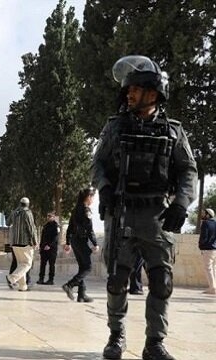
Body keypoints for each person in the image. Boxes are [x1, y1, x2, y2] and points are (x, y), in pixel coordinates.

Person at [94, 55, 197, 360]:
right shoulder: (115, 127)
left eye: (135, 89)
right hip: (122, 212)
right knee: (117, 279)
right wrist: (104, 189)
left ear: (152, 93)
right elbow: (98, 164)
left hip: (157, 216)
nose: (128, 94)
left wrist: (181, 202)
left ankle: (154, 342)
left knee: (162, 281)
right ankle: (116, 336)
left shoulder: (174, 131)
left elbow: (188, 170)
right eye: (128, 89)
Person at [62, 187, 99, 302]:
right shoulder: (86, 210)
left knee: (82, 267)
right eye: (92, 197)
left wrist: (68, 242)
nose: (93, 199)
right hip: (81, 241)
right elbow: (89, 229)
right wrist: (95, 243)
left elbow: (69, 227)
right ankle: (69, 285)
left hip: (74, 240)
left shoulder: (75, 209)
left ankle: (81, 294)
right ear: (88, 197)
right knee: (88, 267)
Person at [5, 197, 38, 291]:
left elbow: (7, 223)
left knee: (20, 264)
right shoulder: (27, 213)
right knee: (27, 264)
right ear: (28, 204)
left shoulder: (14, 212)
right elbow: (31, 228)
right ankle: (12, 278)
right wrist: (35, 242)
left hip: (15, 243)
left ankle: (22, 286)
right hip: (25, 243)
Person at [37, 212, 59, 285]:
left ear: (54, 217)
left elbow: (55, 238)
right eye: (48, 216)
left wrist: (49, 245)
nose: (49, 217)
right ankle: (41, 279)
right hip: (44, 248)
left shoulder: (56, 226)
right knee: (42, 264)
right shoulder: (45, 226)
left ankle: (51, 279)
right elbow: (42, 237)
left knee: (51, 265)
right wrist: (41, 247)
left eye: (50, 216)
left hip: (52, 249)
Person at [198, 208, 216, 295]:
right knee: (214, 268)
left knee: (208, 268)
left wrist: (201, 246)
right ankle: (214, 287)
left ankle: (212, 288)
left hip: (208, 249)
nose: (202, 215)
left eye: (204, 213)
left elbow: (203, 237)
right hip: (215, 249)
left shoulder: (205, 223)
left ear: (208, 215)